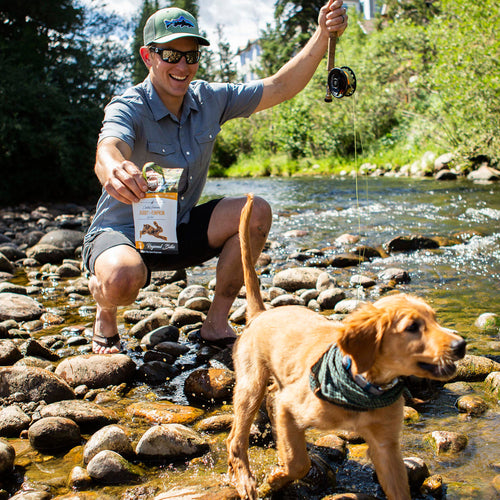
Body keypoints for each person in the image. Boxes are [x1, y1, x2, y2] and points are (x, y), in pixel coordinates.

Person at [83, 0, 348, 354]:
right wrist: (113, 167)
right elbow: (108, 147)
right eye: (171, 55)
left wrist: (322, 34)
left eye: (191, 56)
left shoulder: (211, 99)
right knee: (121, 278)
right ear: (148, 56)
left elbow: (281, 86)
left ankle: (215, 323)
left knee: (255, 211)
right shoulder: (129, 105)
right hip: (122, 236)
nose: (183, 66)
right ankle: (105, 308)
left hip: (177, 230)